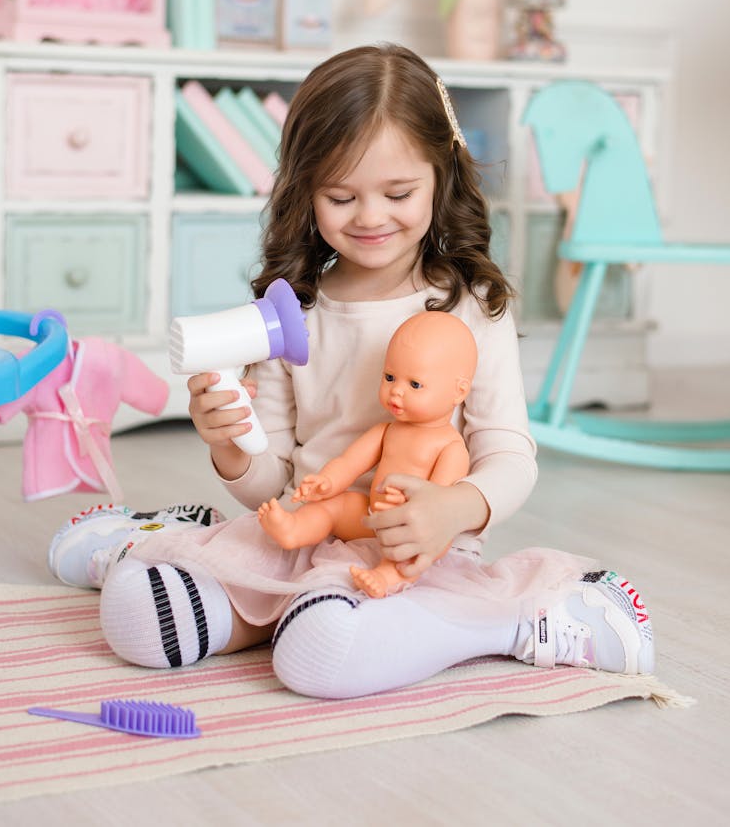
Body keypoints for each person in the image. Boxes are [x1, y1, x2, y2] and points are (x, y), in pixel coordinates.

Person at [47, 43, 654, 698]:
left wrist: (456, 507)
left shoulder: (472, 307)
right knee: (139, 613)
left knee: (322, 656)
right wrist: (231, 448)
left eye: (398, 193)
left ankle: (510, 620)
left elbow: (508, 452)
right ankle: (195, 555)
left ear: (440, 177)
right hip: (299, 534)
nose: (370, 218)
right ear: (305, 189)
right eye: (341, 196)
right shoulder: (296, 310)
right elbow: (273, 487)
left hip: (413, 552)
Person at [257, 309, 477, 599]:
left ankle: (388, 575)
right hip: (370, 514)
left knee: (409, 547)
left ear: (458, 391)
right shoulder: (388, 431)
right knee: (335, 506)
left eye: (414, 384)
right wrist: (327, 482)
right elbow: (349, 462)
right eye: (389, 377)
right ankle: (295, 528)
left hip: (417, 528)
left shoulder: (450, 447)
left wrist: (411, 506)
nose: (396, 391)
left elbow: (440, 500)